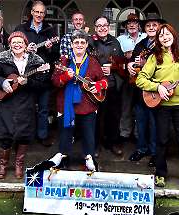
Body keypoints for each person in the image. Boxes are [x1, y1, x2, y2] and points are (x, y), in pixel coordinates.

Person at [136, 24, 179, 192]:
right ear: (158, 39)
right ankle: (160, 173)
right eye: (161, 35)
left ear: (174, 36)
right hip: (162, 105)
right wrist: (158, 87)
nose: (165, 37)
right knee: (161, 140)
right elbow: (140, 79)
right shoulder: (155, 57)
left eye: (167, 34)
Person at [0, 31, 46, 179]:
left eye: (20, 42)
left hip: (26, 104)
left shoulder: (36, 62)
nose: (17, 44)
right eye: (14, 42)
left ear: (26, 45)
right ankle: (3, 164)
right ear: (10, 45)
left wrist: (29, 82)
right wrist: (2, 82)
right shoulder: (2, 60)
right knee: (5, 136)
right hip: (7, 103)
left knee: (24, 136)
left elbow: (42, 85)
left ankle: (19, 164)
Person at [52, 30, 107, 165]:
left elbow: (104, 79)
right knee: (65, 134)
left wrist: (99, 85)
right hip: (66, 104)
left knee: (88, 135)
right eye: (76, 42)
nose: (79, 45)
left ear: (86, 44)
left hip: (87, 104)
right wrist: (65, 77)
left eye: (82, 42)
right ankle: (64, 158)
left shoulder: (93, 62)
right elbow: (54, 81)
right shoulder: (63, 62)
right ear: (71, 45)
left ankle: (89, 159)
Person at [15, 0, 59, 147]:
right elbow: (13, 50)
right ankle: (25, 136)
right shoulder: (21, 29)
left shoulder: (50, 31)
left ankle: (42, 135)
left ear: (44, 14)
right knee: (26, 108)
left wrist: (49, 48)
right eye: (37, 12)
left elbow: (56, 54)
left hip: (44, 76)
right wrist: (25, 50)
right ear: (32, 12)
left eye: (42, 12)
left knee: (44, 108)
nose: (39, 15)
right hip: (27, 75)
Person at [127, 13, 165, 166]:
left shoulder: (164, 45)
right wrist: (130, 65)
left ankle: (155, 153)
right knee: (140, 122)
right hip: (140, 91)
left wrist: (145, 66)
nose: (151, 27)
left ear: (159, 27)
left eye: (154, 25)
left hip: (156, 91)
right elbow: (133, 63)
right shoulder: (140, 45)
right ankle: (142, 149)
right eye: (148, 25)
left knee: (155, 123)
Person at [88, 16, 124, 157]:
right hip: (96, 87)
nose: (102, 28)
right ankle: (96, 145)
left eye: (105, 25)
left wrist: (113, 68)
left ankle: (113, 143)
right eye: (99, 26)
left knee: (114, 116)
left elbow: (121, 64)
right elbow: (86, 63)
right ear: (95, 28)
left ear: (109, 27)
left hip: (113, 85)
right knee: (96, 118)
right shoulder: (90, 43)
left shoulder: (115, 42)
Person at [117, 13, 147, 144]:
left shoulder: (146, 37)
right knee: (126, 106)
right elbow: (116, 59)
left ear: (139, 25)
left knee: (141, 108)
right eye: (129, 23)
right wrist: (126, 54)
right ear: (126, 26)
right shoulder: (120, 39)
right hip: (127, 77)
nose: (132, 25)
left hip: (144, 78)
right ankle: (124, 133)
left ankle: (138, 134)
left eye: (134, 23)